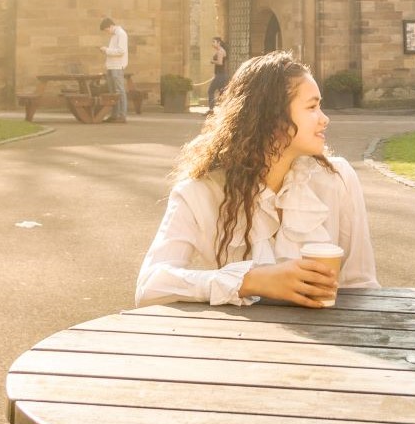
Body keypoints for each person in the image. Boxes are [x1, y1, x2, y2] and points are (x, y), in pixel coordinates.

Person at [135, 50, 378, 307]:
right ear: (272, 116)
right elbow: (150, 286)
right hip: (239, 342)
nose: (324, 119)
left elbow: (361, 285)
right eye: (312, 107)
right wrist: (249, 281)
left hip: (329, 339)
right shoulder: (199, 192)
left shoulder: (337, 178)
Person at [99, 17, 129, 123]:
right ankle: (114, 114)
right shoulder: (114, 36)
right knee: (112, 92)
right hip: (111, 66)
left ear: (111, 26)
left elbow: (121, 51)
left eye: (107, 30)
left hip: (117, 66)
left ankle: (122, 115)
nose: (107, 32)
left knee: (119, 91)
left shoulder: (121, 34)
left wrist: (106, 50)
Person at [206, 36, 230, 113]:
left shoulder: (220, 51)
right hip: (221, 75)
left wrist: (212, 61)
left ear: (219, 43)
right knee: (222, 93)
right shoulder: (220, 50)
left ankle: (211, 109)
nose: (212, 43)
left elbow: (220, 62)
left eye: (214, 42)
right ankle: (226, 110)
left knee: (210, 91)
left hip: (220, 75)